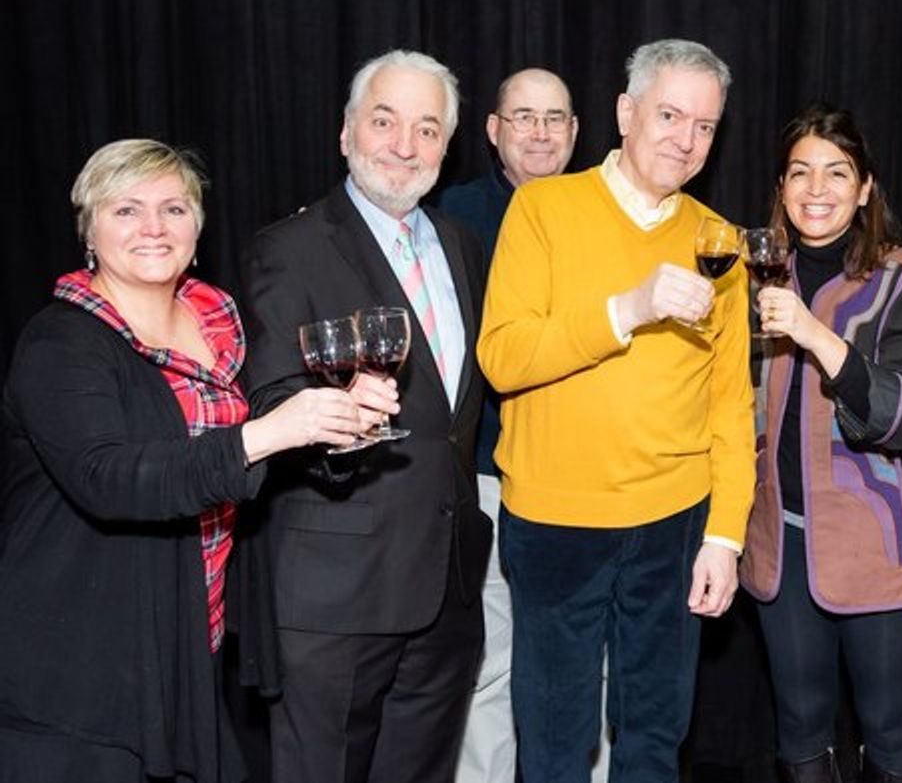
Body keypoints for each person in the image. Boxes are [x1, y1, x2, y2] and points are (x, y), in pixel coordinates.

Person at [0, 138, 369, 783]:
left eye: (174, 209)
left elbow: (247, 454)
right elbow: (111, 479)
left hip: (189, 649)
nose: (153, 227)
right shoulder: (59, 343)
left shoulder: (219, 323)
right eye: (126, 210)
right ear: (89, 230)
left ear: (197, 230)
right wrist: (267, 434)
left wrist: (331, 421)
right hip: (79, 668)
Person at [477, 38, 755, 783]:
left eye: (704, 125)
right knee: (557, 744)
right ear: (626, 113)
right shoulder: (542, 208)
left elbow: (732, 405)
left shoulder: (718, 240)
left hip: (675, 523)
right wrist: (626, 310)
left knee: (655, 740)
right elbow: (502, 358)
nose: (685, 139)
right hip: (555, 523)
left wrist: (725, 537)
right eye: (669, 115)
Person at [239, 49, 490, 783]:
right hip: (337, 593)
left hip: (446, 587)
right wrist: (337, 424)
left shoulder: (460, 246)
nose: (405, 145)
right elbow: (273, 400)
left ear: (447, 145)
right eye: (385, 121)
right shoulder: (288, 249)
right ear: (346, 132)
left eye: (428, 128)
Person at [739, 105, 902, 783]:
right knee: (798, 726)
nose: (816, 189)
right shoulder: (751, 276)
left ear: (864, 190)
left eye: (836, 172)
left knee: (889, 730)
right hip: (780, 544)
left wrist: (816, 335)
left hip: (880, 543)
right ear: (781, 188)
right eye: (800, 172)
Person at [438, 68, 601, 783]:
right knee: (490, 661)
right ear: (493, 130)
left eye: (555, 118)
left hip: (595, 481)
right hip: (488, 475)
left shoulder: (609, 210)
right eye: (524, 117)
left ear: (575, 132)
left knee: (590, 660)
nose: (540, 132)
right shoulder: (453, 217)